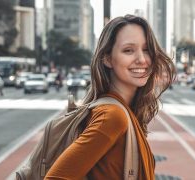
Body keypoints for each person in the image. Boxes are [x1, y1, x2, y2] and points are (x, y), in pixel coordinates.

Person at [45, 14, 176, 180]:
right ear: (107, 58)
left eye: (146, 50)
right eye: (128, 50)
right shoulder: (112, 116)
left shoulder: (123, 111)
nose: (142, 59)